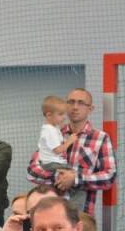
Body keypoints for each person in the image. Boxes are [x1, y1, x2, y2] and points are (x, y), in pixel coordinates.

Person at [27, 89, 117, 217]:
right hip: (49, 214)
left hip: (81, 216)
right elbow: (32, 171)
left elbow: (109, 177)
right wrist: (57, 177)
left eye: (81, 103)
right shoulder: (53, 133)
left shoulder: (100, 138)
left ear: (90, 109)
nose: (75, 107)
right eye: (71, 102)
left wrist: (75, 179)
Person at [35, 96, 78, 184]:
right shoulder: (49, 131)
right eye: (60, 114)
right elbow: (58, 150)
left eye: (64, 114)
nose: (64, 117)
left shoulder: (53, 127)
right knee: (74, 177)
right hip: (52, 164)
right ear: (49, 115)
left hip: (53, 163)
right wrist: (70, 141)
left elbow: (60, 127)